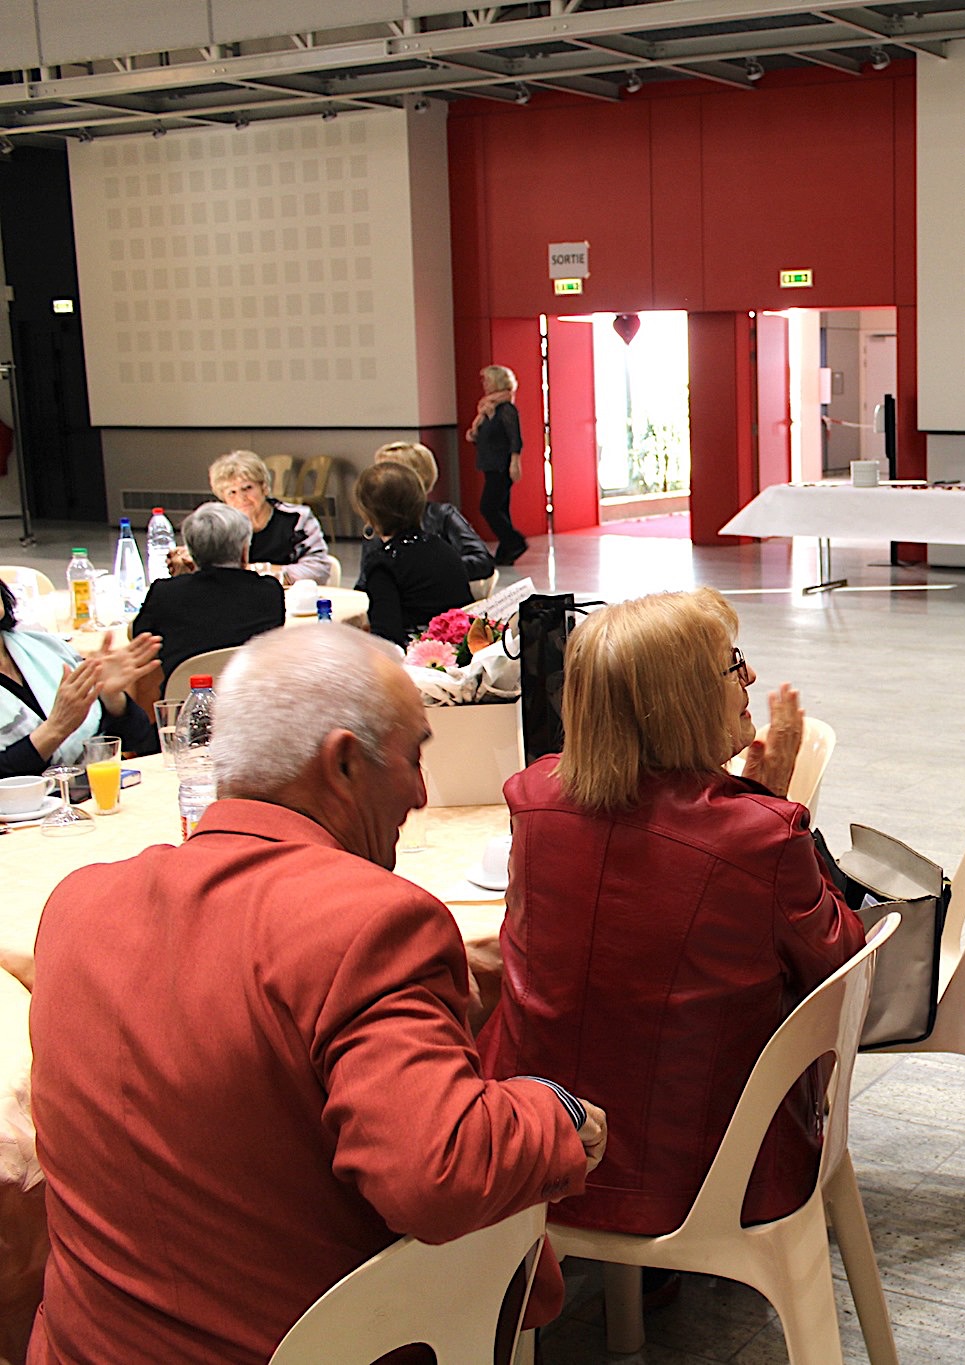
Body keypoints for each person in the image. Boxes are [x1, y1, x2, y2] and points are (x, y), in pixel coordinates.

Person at [28, 624, 608, 1365]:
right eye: (414, 755)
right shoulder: (372, 920)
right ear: (341, 762)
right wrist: (550, 1107)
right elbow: (438, 1172)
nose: (423, 792)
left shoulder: (75, 906)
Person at [479, 589, 865, 1237]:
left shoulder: (533, 798)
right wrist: (769, 804)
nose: (749, 678)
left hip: (531, 1148)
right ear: (681, 696)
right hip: (701, 1176)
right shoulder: (756, 834)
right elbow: (840, 961)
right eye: (731, 663)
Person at [0, 579, 159, 778]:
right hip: (29, 806)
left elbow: (138, 742)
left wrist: (110, 698)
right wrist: (55, 729)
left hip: (100, 791)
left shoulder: (48, 648)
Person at [130, 502, 286, 679]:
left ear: (192, 551)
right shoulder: (269, 591)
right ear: (244, 551)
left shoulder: (165, 592)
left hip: (184, 699)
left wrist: (180, 580)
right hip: (249, 697)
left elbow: (139, 639)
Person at [352, 460, 475, 647]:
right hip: (463, 652)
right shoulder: (442, 546)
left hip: (421, 663)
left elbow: (387, 640)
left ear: (366, 513)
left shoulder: (384, 563)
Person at [199, 449, 336, 586]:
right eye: (232, 492)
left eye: (247, 488)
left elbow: (319, 569)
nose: (241, 498)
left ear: (263, 487)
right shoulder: (220, 527)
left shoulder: (297, 518)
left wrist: (261, 570)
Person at [372, 441, 496, 585]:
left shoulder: (442, 516)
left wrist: (432, 570)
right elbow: (366, 580)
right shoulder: (376, 522)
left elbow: (483, 562)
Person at [466, 364, 527, 565]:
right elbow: (489, 437)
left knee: (488, 507)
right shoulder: (487, 409)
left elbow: (514, 438)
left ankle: (514, 541)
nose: (484, 384)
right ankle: (506, 552)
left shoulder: (506, 408)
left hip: (501, 465)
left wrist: (515, 462)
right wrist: (475, 433)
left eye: (488, 380)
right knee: (501, 508)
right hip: (490, 463)